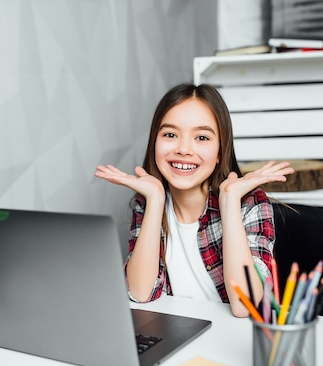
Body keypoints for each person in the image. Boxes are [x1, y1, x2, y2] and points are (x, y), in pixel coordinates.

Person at [95, 83, 293, 317]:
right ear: (154, 143)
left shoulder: (250, 203)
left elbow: (244, 306)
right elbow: (140, 293)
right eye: (170, 134)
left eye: (201, 137)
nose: (184, 149)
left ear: (221, 150)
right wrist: (156, 200)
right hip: (178, 335)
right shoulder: (147, 202)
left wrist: (229, 204)